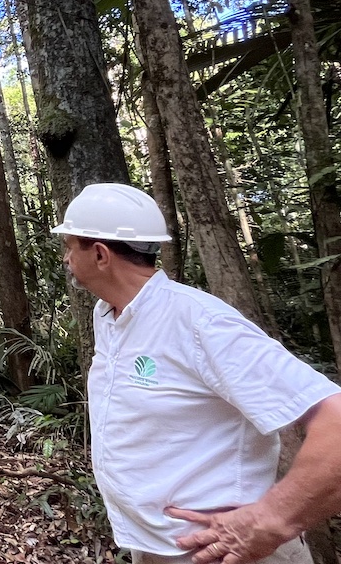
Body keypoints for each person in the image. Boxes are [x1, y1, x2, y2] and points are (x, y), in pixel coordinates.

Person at [51, 183, 341, 564]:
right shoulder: (108, 316)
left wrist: (273, 518)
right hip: (157, 547)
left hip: (229, 552)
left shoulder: (201, 323)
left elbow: (335, 420)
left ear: (101, 255)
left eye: (71, 246)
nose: (66, 259)